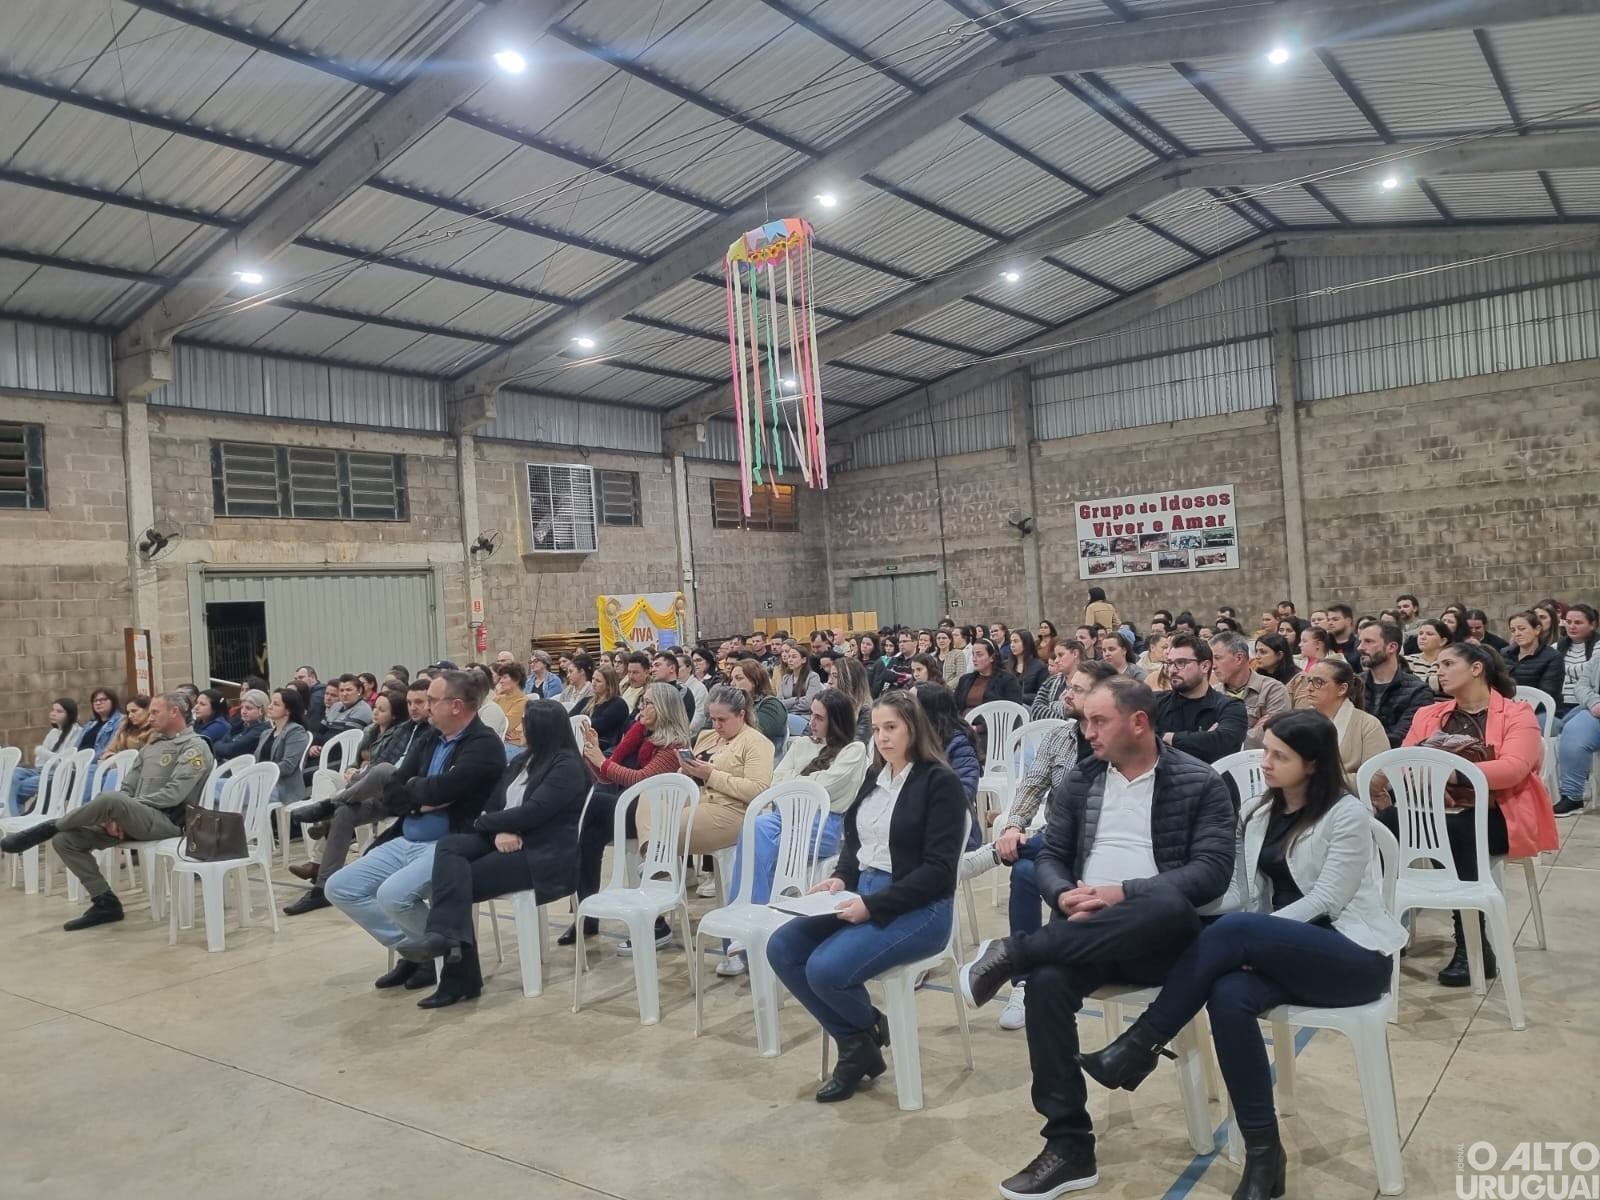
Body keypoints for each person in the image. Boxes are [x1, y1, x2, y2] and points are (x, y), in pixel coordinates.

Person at [1079, 709, 1407, 1200]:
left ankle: (1139, 1044)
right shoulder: (1256, 811)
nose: (1265, 762)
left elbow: (1327, 901)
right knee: (1228, 994)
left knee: (1237, 932)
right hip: (1281, 951)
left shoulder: (1347, 814)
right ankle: (1264, 1155)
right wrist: (1169, 902)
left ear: (1313, 764)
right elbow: (1237, 894)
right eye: (1266, 750)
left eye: (1279, 756)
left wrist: (1256, 938)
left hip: (1351, 954)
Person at [957, 677, 1235, 1198]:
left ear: (1139, 722)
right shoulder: (1081, 781)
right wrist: (1064, 895)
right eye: (1085, 720)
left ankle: (1013, 952)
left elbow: (1212, 872)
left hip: (1163, 940)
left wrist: (1122, 893)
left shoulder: (1199, 782)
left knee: (1167, 902)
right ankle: (1069, 1147)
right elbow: (1052, 856)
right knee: (1046, 984)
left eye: (1099, 721)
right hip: (1083, 934)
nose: (1087, 731)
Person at [766, 690, 966, 1103]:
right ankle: (860, 1037)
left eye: (891, 727)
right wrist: (840, 879)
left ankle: (856, 1045)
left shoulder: (939, 782)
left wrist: (872, 905)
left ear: (914, 728)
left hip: (921, 907)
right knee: (783, 947)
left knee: (825, 969)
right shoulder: (876, 778)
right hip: (864, 891)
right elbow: (855, 844)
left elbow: (938, 872)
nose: (882, 737)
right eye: (876, 729)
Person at [1383, 643, 1559, 984]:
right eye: (1439, 665)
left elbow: (1514, 768)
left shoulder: (1517, 713)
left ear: (1477, 668)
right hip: (1436, 808)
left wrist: (1449, 775)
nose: (1439, 671)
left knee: (1457, 832)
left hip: (1498, 812)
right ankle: (1383, 927)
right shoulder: (1428, 714)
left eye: (1448, 663)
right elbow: (1404, 762)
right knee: (1384, 824)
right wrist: (1429, 783)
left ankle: (1473, 944)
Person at [397, 700, 589, 1008]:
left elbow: (534, 812)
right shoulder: (524, 760)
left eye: (525, 723)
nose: (519, 728)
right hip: (504, 837)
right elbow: (492, 802)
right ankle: (447, 944)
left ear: (542, 728)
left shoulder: (566, 767)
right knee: (450, 847)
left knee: (455, 881)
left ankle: (456, 971)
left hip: (541, 852)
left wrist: (486, 823)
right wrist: (497, 828)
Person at [962, 660, 1115, 1031]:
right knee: (1025, 871)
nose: (1066, 694)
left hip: (1104, 846)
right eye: (1068, 686)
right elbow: (1032, 786)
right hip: (1054, 840)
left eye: (1076, 689)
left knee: (1034, 853)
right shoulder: (1059, 737)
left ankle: (992, 855)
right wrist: (1014, 825)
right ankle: (1024, 983)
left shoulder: (1117, 742)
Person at [325, 670, 506, 982]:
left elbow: (443, 789)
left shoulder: (484, 745)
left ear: (456, 706)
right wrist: (418, 799)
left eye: (432, 700)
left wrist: (417, 791)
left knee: (393, 895)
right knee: (340, 887)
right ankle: (414, 950)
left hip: (450, 843)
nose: (426, 707)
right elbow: (393, 787)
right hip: (406, 836)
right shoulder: (431, 737)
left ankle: (437, 955)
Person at [2, 693, 214, 931]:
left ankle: (50, 826)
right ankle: (105, 902)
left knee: (110, 799)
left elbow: (173, 795)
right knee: (66, 840)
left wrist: (123, 808)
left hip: (167, 823)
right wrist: (119, 814)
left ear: (174, 712)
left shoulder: (194, 747)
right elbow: (128, 786)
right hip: (134, 820)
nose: (150, 717)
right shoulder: (152, 746)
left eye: (155, 712)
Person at [717, 688, 871, 977]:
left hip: (824, 823)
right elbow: (776, 781)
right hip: (784, 816)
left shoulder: (854, 750)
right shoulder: (801, 744)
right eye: (811, 714)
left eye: (819, 718)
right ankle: (749, 922)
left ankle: (748, 930)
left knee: (759, 842)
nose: (811, 722)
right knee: (755, 828)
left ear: (836, 721)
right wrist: (800, 784)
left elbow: (826, 786)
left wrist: (796, 781)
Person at [624, 687, 775, 952]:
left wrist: (711, 774)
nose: (716, 725)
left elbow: (758, 790)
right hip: (697, 799)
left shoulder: (756, 742)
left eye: (722, 720)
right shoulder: (706, 736)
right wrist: (686, 769)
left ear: (741, 715)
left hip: (731, 810)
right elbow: (687, 775)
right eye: (712, 719)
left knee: (668, 826)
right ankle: (654, 858)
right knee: (649, 795)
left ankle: (657, 860)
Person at [561, 682, 692, 944]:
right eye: (642, 701)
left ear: (664, 708)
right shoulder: (638, 734)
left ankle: (646, 918)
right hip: (629, 805)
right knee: (590, 832)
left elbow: (642, 780)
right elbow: (607, 776)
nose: (641, 707)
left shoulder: (673, 745)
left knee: (592, 804)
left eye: (648, 702)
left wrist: (601, 761)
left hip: (653, 815)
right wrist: (594, 754)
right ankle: (586, 912)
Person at [1153, 633, 1246, 764]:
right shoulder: (1154, 702)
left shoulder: (1230, 706)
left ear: (1205, 666)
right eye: (1169, 663)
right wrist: (1203, 740)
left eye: (1181, 663)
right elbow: (1140, 742)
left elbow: (1224, 743)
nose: (1172, 670)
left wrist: (1170, 738)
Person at [1300, 656, 1388, 785]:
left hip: (1349, 796)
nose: (1309, 688)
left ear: (1342, 689)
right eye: (1309, 681)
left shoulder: (1368, 725)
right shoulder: (1300, 721)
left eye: (1319, 682)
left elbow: (1376, 779)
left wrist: (1319, 782)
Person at [912, 682, 982, 827]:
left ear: (927, 711)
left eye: (910, 703)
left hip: (946, 825)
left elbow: (963, 792)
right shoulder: (907, 740)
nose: (903, 708)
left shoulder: (959, 744)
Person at [1355, 620, 1433, 747]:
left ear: (1392, 647)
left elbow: (1403, 737)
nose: (1360, 648)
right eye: (1360, 641)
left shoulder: (1418, 691)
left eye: (1368, 642)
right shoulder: (1354, 685)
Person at [1209, 631, 1291, 751]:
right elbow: (1205, 736)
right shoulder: (1212, 694)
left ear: (1238, 658)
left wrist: (1221, 737)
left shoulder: (1273, 690)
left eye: (1217, 658)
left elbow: (1275, 735)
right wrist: (1253, 731)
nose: (1213, 666)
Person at [4, 698, 81, 814]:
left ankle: (12, 816)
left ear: (70, 714)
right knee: (12, 774)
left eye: (59, 711)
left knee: (16, 787)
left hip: (56, 773)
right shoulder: (53, 733)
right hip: (41, 770)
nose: (53, 713)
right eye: (53, 710)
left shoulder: (77, 733)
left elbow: (64, 761)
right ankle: (13, 815)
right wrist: (43, 754)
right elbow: (39, 762)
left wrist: (42, 752)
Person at [1555, 649, 1600, 816]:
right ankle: (1572, 796)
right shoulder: (1597, 658)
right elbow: (1581, 686)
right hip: (1596, 711)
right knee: (1574, 731)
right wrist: (1593, 702)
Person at [729, 657, 787, 750]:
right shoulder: (733, 704)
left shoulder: (772, 705)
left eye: (739, 678)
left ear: (754, 681)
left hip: (764, 754)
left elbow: (758, 733)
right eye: (731, 679)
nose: (732, 683)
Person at [1504, 609, 1563, 702]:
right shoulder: (1505, 653)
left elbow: (1548, 692)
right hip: (1508, 705)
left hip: (1539, 706)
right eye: (1513, 630)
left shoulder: (1553, 657)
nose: (1517, 634)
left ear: (1537, 630)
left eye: (1522, 629)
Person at [1555, 603, 1598, 720]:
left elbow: (1592, 671)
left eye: (1578, 623)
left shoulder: (1598, 645)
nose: (1572, 626)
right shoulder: (1556, 646)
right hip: (1559, 703)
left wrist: (1562, 669)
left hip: (1586, 704)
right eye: (1568, 622)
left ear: (1592, 625)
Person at [776, 642, 823, 736]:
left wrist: (788, 706)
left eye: (794, 657)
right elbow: (778, 703)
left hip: (805, 717)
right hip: (787, 715)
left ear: (803, 659)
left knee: (784, 720)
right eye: (789, 657)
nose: (790, 660)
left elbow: (809, 703)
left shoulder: (813, 677)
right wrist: (796, 700)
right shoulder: (786, 678)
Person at [210, 689, 269, 761]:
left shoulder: (262, 729)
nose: (243, 711)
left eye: (248, 708)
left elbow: (231, 750)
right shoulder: (240, 725)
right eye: (242, 707)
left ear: (261, 710)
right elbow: (219, 744)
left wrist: (219, 747)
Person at [1031, 640, 1081, 720]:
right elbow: (1036, 710)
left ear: (1075, 653)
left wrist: (1052, 706)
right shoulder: (1051, 681)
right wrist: (1062, 719)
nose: (1056, 660)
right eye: (1056, 656)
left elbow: (1081, 715)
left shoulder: (1089, 683)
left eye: (1061, 655)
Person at [1404, 618, 1453, 698]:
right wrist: (1434, 682)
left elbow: (1449, 684)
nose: (1422, 637)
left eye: (1429, 634)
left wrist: (1413, 682)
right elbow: (1402, 685)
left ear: (1443, 641)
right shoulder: (1407, 660)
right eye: (1420, 633)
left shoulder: (1451, 662)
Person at [586, 664, 630, 753]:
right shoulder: (587, 701)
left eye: (598, 681)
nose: (593, 683)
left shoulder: (618, 705)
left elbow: (596, 726)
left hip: (603, 747)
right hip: (584, 741)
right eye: (593, 679)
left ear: (609, 685)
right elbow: (569, 717)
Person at [1252, 633, 1304, 707]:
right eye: (1256, 651)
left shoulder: (1299, 679)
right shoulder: (1255, 676)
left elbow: (1302, 710)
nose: (1257, 656)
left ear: (1279, 655)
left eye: (1263, 652)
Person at [101, 694, 154, 761]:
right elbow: (109, 751)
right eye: (128, 712)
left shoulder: (155, 730)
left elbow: (150, 756)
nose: (130, 716)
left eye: (134, 711)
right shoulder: (124, 729)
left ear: (148, 710)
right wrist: (113, 758)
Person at [491, 663, 530, 748]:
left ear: (517, 679)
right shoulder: (497, 698)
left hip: (512, 744)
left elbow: (504, 726)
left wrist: (500, 731)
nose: (500, 681)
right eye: (500, 678)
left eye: (504, 677)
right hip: (496, 740)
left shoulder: (523, 701)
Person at [1009, 630, 1048, 707]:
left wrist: (1020, 697)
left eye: (1016, 641)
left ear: (1026, 643)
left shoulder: (1039, 667)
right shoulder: (1006, 665)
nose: (1012, 645)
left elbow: (1043, 695)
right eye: (1011, 642)